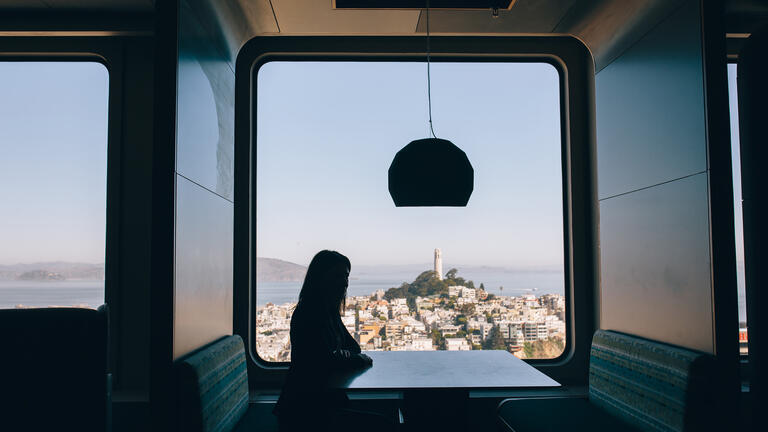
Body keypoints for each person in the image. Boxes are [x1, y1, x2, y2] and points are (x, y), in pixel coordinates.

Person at [273, 250, 395, 432]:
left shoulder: (328, 311)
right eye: (337, 276)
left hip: (321, 402)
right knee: (385, 423)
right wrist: (347, 357)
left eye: (346, 276)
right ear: (321, 278)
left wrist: (340, 356)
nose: (344, 282)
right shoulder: (309, 314)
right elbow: (324, 362)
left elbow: (353, 347)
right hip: (305, 409)